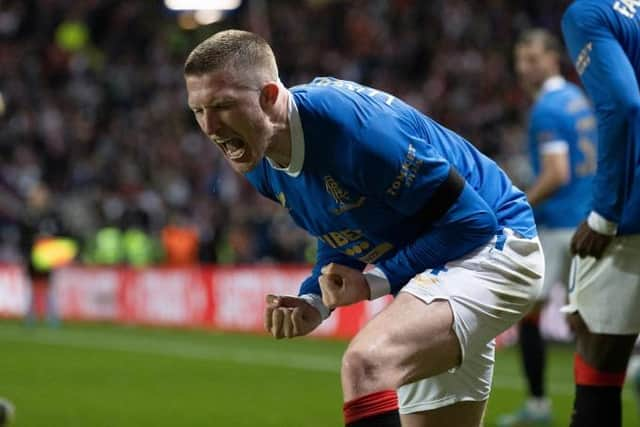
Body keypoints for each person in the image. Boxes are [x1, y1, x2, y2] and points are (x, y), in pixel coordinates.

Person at [184, 29, 544, 427]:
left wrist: (375, 283)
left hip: (496, 247)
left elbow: (474, 222)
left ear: (269, 96)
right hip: (435, 270)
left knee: (366, 365)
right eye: (198, 110)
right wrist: (315, 301)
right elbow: (339, 225)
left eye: (222, 106)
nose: (211, 126)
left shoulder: (357, 134)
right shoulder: (258, 156)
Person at [498, 29, 597, 427]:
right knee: (589, 319)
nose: (524, 67)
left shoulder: (548, 109)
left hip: (558, 227)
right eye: (520, 59)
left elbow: (557, 174)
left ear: (554, 58)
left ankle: (540, 406)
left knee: (534, 313)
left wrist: (516, 203)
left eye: (533, 58)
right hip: (590, 220)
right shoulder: (578, 99)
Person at [561, 1, 640, 426]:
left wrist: (604, 216)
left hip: (631, 215)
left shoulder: (588, 12)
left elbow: (625, 105)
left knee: (598, 356)